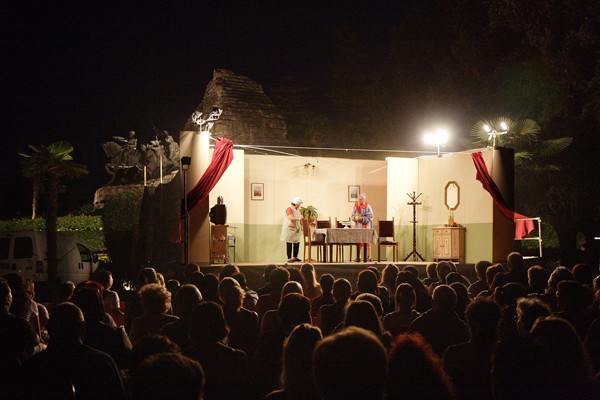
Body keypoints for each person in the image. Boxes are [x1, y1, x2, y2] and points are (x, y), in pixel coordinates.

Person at [351, 192, 374, 261]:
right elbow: (352, 216)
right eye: (359, 199)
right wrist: (355, 218)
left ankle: (369, 257)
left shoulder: (368, 207)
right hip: (358, 226)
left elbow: (370, 217)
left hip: (366, 226)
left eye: (361, 199)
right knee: (359, 240)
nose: (359, 200)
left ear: (364, 200)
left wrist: (362, 218)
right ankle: (359, 256)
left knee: (367, 241)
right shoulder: (355, 206)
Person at [281, 197, 304, 263]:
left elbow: (300, 218)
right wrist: (299, 218)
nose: (300, 205)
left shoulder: (298, 210)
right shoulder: (289, 209)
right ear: (297, 204)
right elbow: (291, 217)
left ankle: (295, 257)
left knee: (297, 242)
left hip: (296, 229)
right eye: (299, 204)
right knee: (289, 243)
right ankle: (289, 258)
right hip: (289, 229)